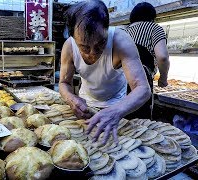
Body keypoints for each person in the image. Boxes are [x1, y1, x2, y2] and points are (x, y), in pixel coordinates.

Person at [59, 0, 151, 144]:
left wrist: (116, 111)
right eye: (84, 47)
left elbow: (143, 89)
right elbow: (64, 82)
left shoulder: (121, 41)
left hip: (116, 107)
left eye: (100, 43)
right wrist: (71, 99)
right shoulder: (69, 47)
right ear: (72, 37)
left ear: (107, 28)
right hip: (86, 108)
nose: (92, 53)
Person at [125, 2, 170, 119]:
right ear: (152, 17)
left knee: (121, 121)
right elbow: (162, 57)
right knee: (139, 122)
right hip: (140, 79)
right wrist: (163, 79)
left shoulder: (125, 30)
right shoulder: (155, 28)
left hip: (119, 78)